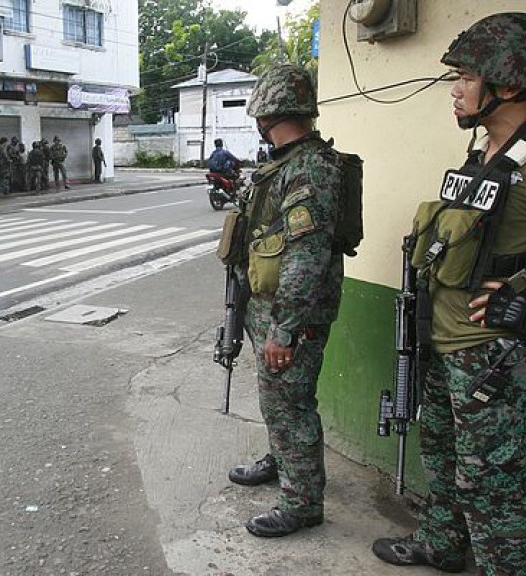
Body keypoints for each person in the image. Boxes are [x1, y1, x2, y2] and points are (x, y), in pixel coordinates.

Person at [372, 13, 526, 575]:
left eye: (464, 77)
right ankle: (442, 543)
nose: (454, 89)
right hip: (443, 343)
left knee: (493, 484)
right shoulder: (484, 153)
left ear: (506, 84)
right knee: (444, 455)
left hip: (493, 358)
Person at [226, 63, 347, 538]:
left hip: (291, 313)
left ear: (268, 114)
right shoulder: (285, 161)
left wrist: (285, 329)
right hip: (269, 304)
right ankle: (283, 462)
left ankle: (301, 503)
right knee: (278, 402)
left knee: (292, 404)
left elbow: (307, 255)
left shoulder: (310, 167)